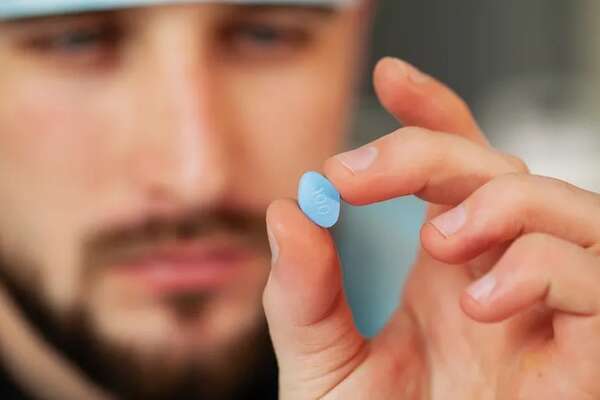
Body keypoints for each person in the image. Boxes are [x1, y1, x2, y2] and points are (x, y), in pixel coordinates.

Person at [1, 1, 600, 399]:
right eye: (74, 39)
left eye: (266, 33)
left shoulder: (502, 324)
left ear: (358, 30)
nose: (196, 176)